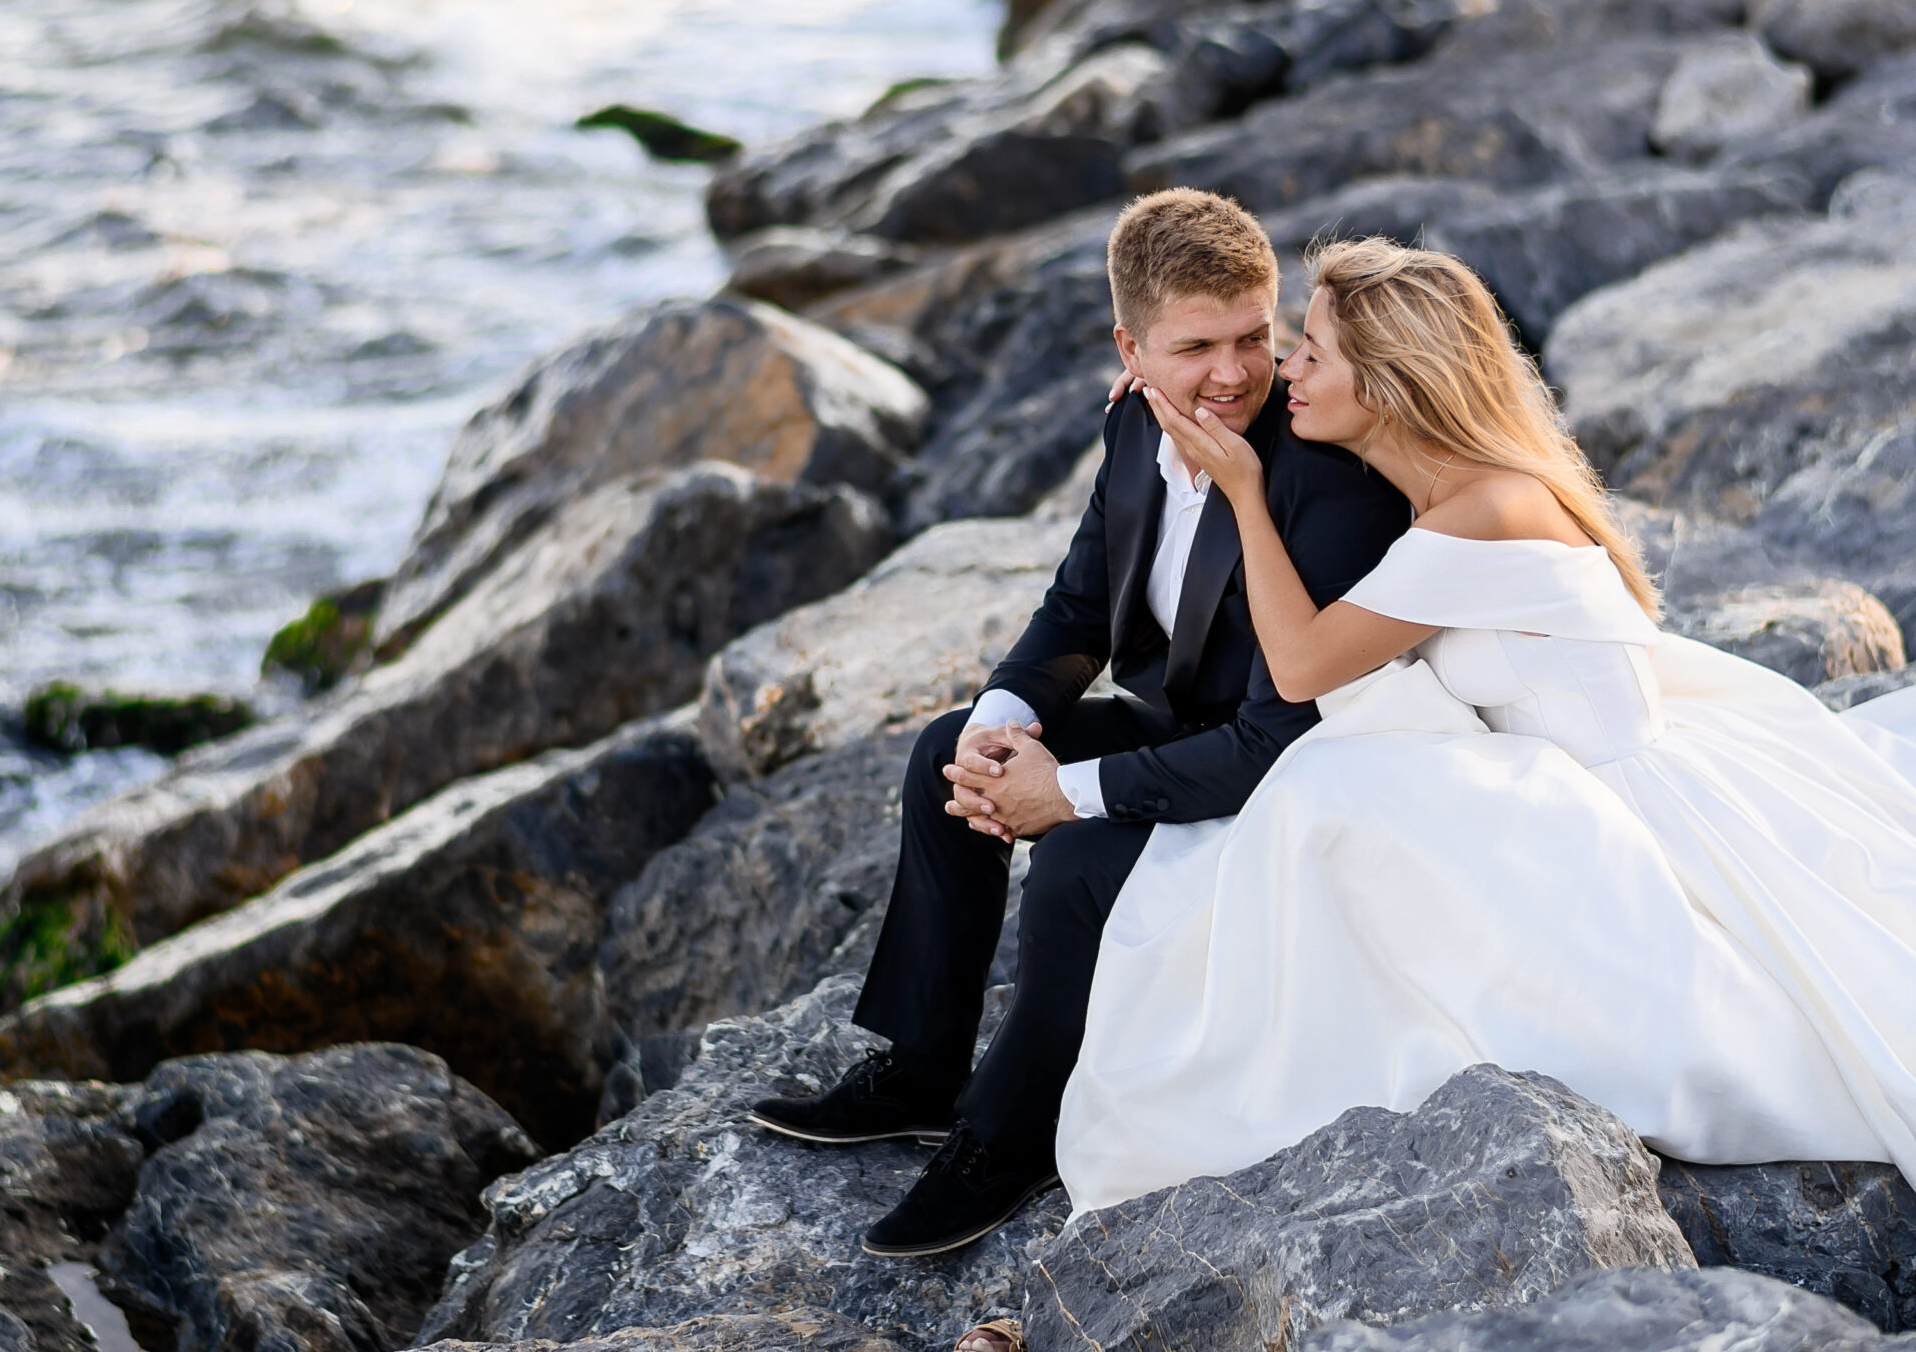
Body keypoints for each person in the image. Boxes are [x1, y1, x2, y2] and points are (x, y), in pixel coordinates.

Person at [1057, 234, 1916, 1218]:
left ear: (1384, 384)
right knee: (1329, 818)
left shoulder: (1483, 509)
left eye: (1309, 352)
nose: (1284, 368)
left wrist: (1246, 491)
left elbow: (1298, 663)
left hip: (1623, 814)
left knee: (1323, 812)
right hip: (1561, 785)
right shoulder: (1440, 495)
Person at [748, 189, 1413, 1256]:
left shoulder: (1326, 479)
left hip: (1288, 771)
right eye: (1193, 346)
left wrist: (1063, 792)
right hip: (1181, 729)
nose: (1234, 373)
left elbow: (1273, 740)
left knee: (1078, 859)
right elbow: (1076, 606)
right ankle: (923, 1068)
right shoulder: (1128, 423)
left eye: (1255, 336)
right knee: (941, 756)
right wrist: (1003, 722)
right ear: (1129, 348)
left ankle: (1005, 1137)